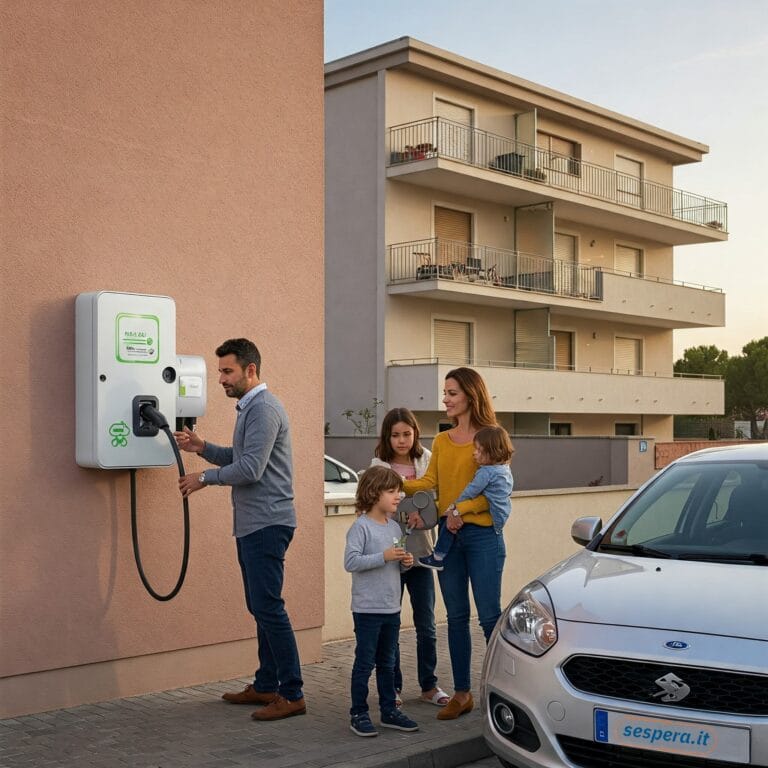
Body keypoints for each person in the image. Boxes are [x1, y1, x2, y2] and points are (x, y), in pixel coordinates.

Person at [174, 338, 306, 721]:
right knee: (260, 606)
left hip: (267, 523)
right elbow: (241, 456)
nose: (221, 379)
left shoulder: (263, 409)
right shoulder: (250, 408)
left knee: (269, 607)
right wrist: (202, 447)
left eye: (227, 371)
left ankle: (292, 693)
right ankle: (266, 684)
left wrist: (204, 478)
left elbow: (251, 469)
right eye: (220, 371)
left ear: (250, 370)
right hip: (254, 524)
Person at [402, 367, 506, 721]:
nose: (444, 399)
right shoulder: (442, 441)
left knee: (489, 617)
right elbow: (430, 482)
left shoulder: (492, 438)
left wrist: (462, 509)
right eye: (445, 392)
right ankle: (462, 694)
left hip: (482, 537)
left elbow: (499, 491)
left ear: (470, 396)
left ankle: (507, 691)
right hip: (449, 539)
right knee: (456, 617)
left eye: (451, 393)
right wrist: (391, 481)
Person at [370, 408, 449, 708]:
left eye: (407, 434)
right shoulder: (379, 465)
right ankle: (393, 687)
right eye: (395, 435)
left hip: (422, 555)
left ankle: (429, 686)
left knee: (426, 625)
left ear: (415, 433)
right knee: (390, 625)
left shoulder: (427, 459)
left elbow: (439, 497)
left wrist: (425, 513)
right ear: (387, 437)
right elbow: (374, 506)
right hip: (392, 557)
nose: (401, 440)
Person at [344, 465, 420, 737]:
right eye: (392, 491)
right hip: (367, 610)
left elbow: (394, 565)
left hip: (391, 608)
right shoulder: (360, 527)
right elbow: (351, 562)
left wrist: (405, 563)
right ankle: (358, 713)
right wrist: (384, 557)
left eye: (398, 491)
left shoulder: (394, 527)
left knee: (388, 663)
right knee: (365, 663)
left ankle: (389, 711)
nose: (398, 496)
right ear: (373, 493)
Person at [419, 425, 514, 571]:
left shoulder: (486, 473)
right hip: (502, 515)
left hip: (488, 522)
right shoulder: (504, 469)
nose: (474, 453)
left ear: (492, 452)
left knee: (447, 524)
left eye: (479, 450)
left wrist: (454, 507)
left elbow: (471, 491)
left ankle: (437, 557)